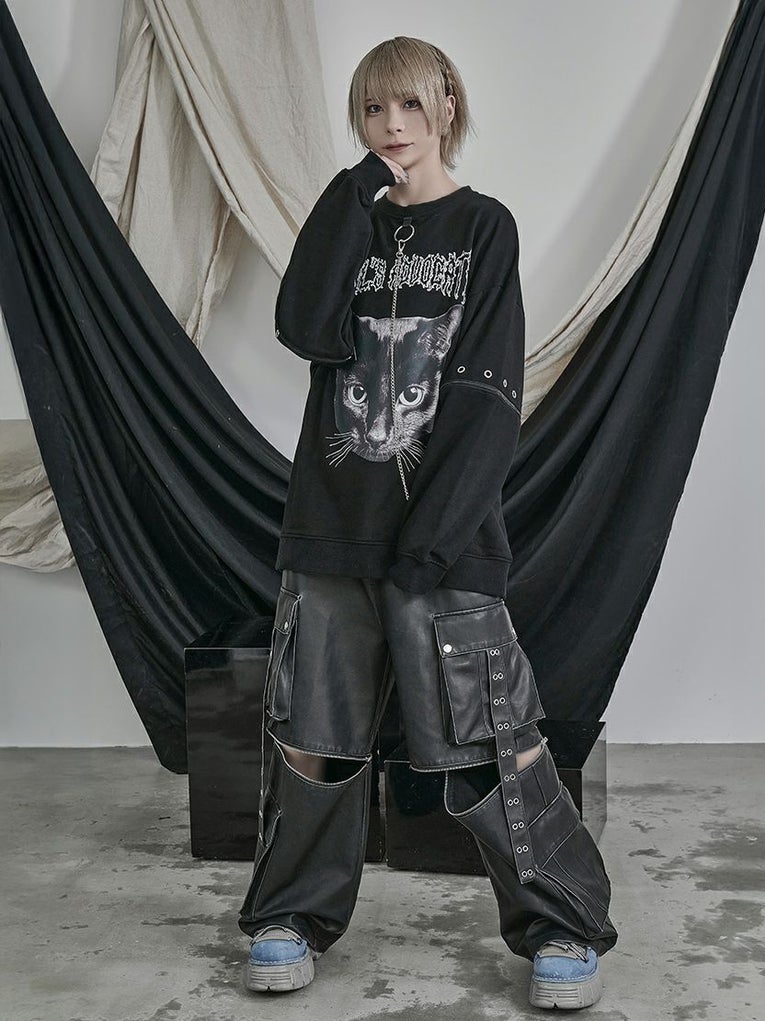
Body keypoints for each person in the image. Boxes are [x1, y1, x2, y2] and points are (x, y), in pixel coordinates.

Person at [237, 36, 618, 1011]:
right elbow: (303, 325)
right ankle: (289, 915)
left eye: (408, 104)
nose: (392, 125)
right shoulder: (351, 221)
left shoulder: (484, 227)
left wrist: (436, 539)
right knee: (313, 736)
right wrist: (354, 189)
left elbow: (489, 392)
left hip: (441, 539)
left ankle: (562, 923)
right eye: (373, 109)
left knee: (495, 735)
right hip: (332, 529)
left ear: (447, 104)